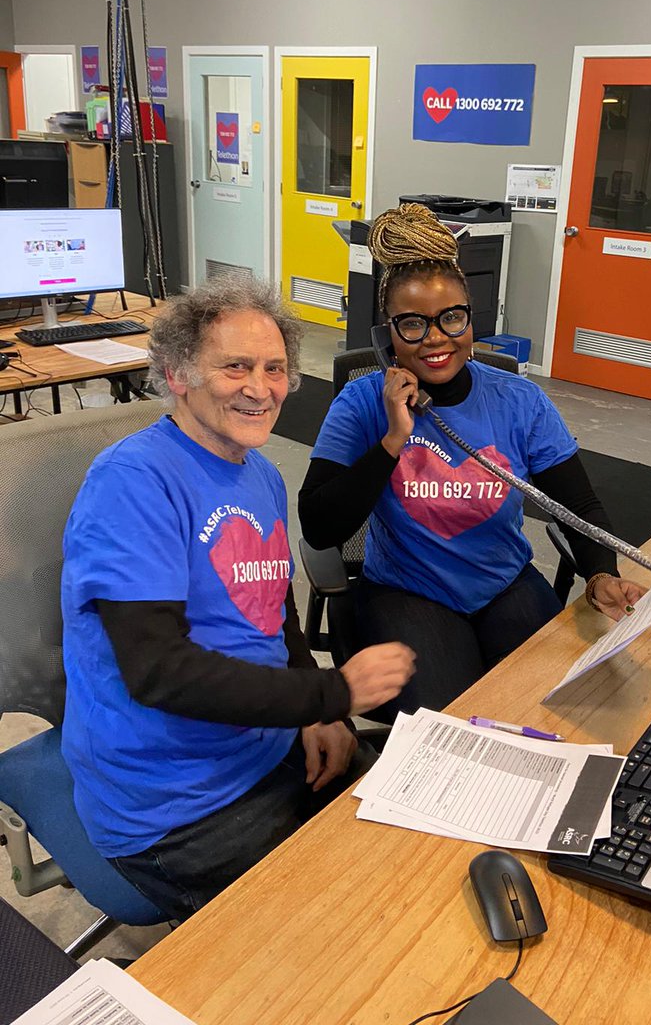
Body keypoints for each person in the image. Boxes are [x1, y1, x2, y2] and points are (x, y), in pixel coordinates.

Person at [61, 277, 414, 921]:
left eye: (275, 368)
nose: (261, 388)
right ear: (177, 375)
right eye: (236, 367)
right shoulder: (132, 483)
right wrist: (332, 694)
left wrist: (317, 713)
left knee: (405, 855)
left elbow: (272, 612)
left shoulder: (261, 475)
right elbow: (159, 672)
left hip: (268, 746)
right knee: (347, 920)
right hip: (174, 809)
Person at [299, 203, 646, 718]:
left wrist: (599, 573)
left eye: (451, 318)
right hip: (407, 592)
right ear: (386, 333)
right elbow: (319, 525)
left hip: (504, 583)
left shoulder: (520, 402)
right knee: (449, 725)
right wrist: (394, 438)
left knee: (563, 709)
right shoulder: (362, 402)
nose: (436, 338)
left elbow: (578, 504)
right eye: (412, 324)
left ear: (471, 318)